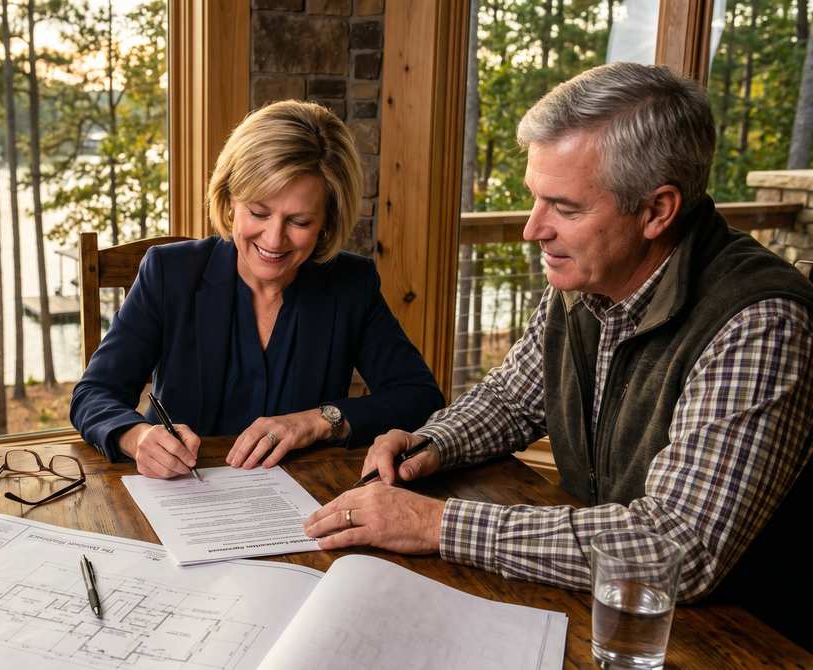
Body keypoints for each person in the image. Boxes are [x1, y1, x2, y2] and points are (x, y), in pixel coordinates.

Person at [305, 63, 813, 647]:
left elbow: (675, 545)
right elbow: (512, 400)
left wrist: (435, 523)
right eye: (533, 199)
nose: (531, 229)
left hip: (740, 639)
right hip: (599, 609)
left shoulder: (760, 321)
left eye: (564, 208)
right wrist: (432, 443)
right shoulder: (588, 276)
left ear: (656, 211)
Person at [71, 100, 444, 479]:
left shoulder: (350, 283)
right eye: (259, 213)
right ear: (231, 201)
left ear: (326, 223)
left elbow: (419, 396)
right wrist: (137, 437)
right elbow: (94, 393)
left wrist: (319, 420)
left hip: (301, 503)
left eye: (298, 221)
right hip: (180, 496)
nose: (274, 239)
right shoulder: (170, 272)